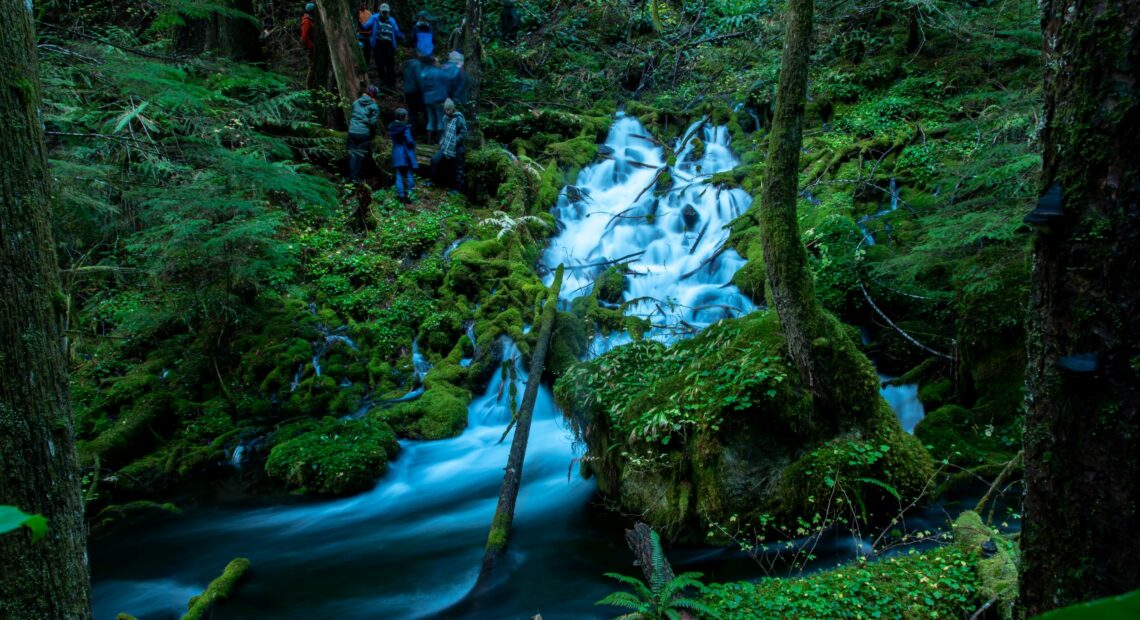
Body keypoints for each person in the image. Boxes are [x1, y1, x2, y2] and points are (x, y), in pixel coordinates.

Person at [431, 98, 467, 191]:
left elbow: (464, 132)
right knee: (435, 160)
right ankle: (435, 181)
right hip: (446, 146)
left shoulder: (459, 118)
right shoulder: (444, 118)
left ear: (453, 109)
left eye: (449, 109)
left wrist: (455, 140)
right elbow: (445, 132)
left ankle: (457, 189)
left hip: (457, 147)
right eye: (446, 110)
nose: (447, 112)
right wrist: (442, 140)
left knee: (457, 169)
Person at [347, 85, 380, 182]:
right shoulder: (374, 106)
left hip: (352, 131)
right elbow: (372, 123)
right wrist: (373, 133)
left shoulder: (356, 102)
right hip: (363, 133)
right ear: (374, 95)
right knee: (360, 155)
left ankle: (352, 176)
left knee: (353, 154)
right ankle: (356, 177)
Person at [364, 3, 402, 87]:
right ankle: (383, 80)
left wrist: (401, 36)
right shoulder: (375, 18)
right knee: (379, 64)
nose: (385, 13)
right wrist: (362, 25)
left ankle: (391, 83)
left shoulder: (392, 20)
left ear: (388, 12)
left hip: (389, 45)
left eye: (386, 12)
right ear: (380, 11)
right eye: (383, 12)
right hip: (378, 44)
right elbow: (367, 26)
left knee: (390, 64)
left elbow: (396, 31)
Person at [388, 108, 418, 203]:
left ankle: (400, 195)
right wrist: (413, 144)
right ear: (402, 117)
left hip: (396, 153)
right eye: (406, 116)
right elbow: (409, 141)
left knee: (399, 175)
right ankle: (410, 194)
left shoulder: (392, 127)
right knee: (409, 174)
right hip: (405, 154)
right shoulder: (405, 128)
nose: (407, 117)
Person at [419, 56, 449, 143]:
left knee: (430, 119)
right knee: (440, 119)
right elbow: (449, 79)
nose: (439, 63)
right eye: (438, 62)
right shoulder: (439, 72)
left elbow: (422, 86)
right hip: (438, 98)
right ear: (433, 63)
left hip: (427, 98)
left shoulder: (424, 72)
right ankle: (439, 141)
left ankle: (429, 141)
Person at [401, 55, 426, 135]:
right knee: (426, 110)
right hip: (416, 92)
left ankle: (413, 131)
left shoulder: (407, 65)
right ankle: (426, 132)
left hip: (408, 92)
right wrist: (424, 90)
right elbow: (419, 78)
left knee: (412, 112)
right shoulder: (417, 64)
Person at [300, 3, 316, 84]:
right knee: (311, 67)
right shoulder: (307, 21)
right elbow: (304, 36)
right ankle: (308, 87)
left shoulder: (310, 20)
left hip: (312, 46)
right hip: (310, 47)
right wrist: (311, 45)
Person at [357, 3, 373, 70]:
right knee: (361, 51)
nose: (362, 5)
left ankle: (367, 66)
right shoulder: (358, 13)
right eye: (361, 4)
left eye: (363, 4)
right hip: (361, 35)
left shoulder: (369, 13)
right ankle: (361, 65)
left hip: (368, 35)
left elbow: (372, 22)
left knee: (368, 51)